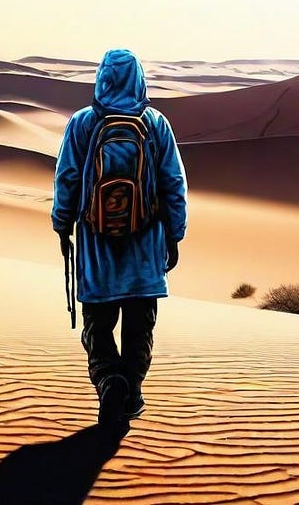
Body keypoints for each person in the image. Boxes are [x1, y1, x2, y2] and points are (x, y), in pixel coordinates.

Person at [52, 48, 188, 425]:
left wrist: (62, 225)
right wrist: (174, 234)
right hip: (145, 250)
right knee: (140, 327)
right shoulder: (156, 124)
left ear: (101, 79)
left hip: (96, 250)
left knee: (98, 326)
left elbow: (66, 179)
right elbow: (173, 183)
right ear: (139, 79)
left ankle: (110, 379)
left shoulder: (82, 124)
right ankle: (130, 388)